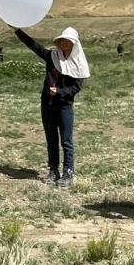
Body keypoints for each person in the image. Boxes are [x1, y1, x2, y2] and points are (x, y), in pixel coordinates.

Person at [12, 25, 90, 188]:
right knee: (51, 139)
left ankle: (68, 172)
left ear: (74, 44)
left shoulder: (78, 63)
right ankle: (53, 170)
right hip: (47, 104)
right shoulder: (52, 56)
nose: (64, 44)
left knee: (66, 141)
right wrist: (17, 31)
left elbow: (76, 88)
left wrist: (59, 91)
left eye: (67, 41)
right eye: (62, 41)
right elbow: (34, 45)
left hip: (64, 107)